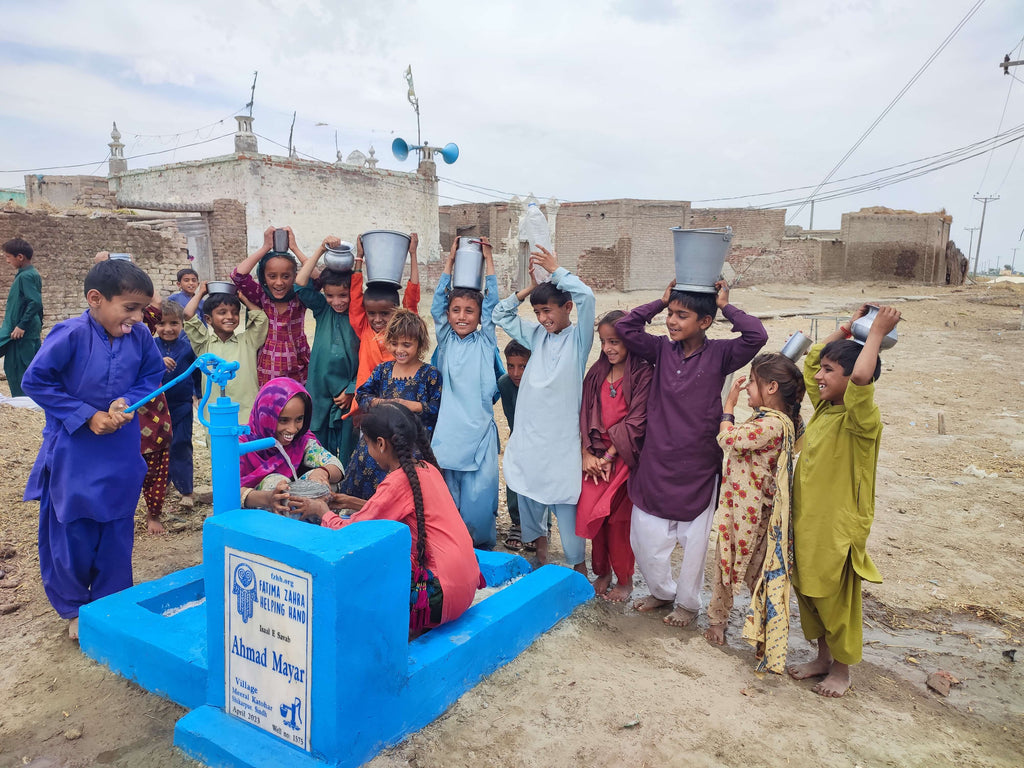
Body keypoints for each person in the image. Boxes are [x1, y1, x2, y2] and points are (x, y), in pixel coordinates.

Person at [21, 259, 165, 640]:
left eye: (142, 310)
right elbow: (35, 381)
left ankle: (111, 602)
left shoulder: (140, 339)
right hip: (74, 450)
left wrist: (126, 402)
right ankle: (74, 608)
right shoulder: (69, 334)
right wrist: (86, 415)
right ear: (96, 299)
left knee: (117, 526)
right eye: (129, 308)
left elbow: (151, 376)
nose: (136, 318)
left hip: (120, 449)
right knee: (73, 526)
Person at [616, 279, 767, 627]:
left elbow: (756, 336)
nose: (671, 321)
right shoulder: (659, 350)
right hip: (656, 460)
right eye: (670, 314)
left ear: (705, 322)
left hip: (699, 464)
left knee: (694, 544)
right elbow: (626, 327)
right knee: (647, 540)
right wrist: (660, 299)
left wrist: (726, 306)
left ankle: (686, 603)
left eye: (681, 315)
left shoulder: (721, 354)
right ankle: (661, 592)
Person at [788, 305, 900, 697]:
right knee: (807, 589)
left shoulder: (861, 420)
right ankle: (822, 657)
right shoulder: (824, 408)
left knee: (835, 597)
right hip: (806, 520)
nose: (819, 376)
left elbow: (862, 377)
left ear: (849, 381)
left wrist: (874, 334)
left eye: (830, 374)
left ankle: (842, 669)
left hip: (837, 526)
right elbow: (814, 359)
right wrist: (845, 328)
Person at [314, 403, 480, 634]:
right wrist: (352, 502)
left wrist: (322, 511)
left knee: (361, 575)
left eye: (367, 444)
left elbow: (350, 532)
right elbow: (405, 513)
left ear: (380, 444)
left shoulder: (397, 482)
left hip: (438, 597)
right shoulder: (427, 469)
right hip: (467, 585)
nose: (368, 450)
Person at [493, 246, 595, 573]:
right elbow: (500, 315)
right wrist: (529, 290)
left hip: (563, 440)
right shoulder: (536, 336)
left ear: (567, 308)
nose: (543, 318)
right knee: (527, 492)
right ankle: (540, 553)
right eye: (537, 312)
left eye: (548, 310)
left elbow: (588, 298)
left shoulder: (578, 340)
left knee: (565, 501)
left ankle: (577, 565)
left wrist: (558, 270)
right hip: (530, 437)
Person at [703, 354, 803, 673]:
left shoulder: (772, 424)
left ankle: (725, 625)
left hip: (749, 516)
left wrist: (729, 405)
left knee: (734, 567)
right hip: (750, 511)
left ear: (771, 387)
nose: (747, 390)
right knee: (746, 572)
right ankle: (747, 631)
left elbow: (727, 438)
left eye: (753, 384)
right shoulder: (778, 420)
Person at [577, 310, 653, 602]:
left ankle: (624, 579)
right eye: (604, 342)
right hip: (595, 459)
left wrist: (609, 456)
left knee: (619, 522)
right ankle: (602, 572)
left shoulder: (643, 373)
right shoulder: (597, 372)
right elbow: (584, 414)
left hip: (625, 460)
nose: (609, 348)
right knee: (596, 520)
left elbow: (637, 421)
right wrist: (588, 454)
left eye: (616, 342)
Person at [431, 236, 500, 549]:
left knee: (480, 493)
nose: (461, 316)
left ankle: (479, 544)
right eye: (455, 310)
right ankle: (451, 542)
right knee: (449, 491)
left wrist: (488, 261)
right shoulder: (446, 341)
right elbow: (435, 306)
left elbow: (493, 304)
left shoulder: (485, 341)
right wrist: (450, 262)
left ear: (478, 315)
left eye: (469, 311)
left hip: (479, 427)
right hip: (449, 430)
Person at [340, 309, 441, 501]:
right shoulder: (383, 370)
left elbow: (436, 408)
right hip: (376, 448)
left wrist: (409, 405)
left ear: (420, 344)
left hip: (409, 450)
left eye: (407, 344)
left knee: (399, 499)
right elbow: (362, 395)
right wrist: (383, 403)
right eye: (394, 344)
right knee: (364, 499)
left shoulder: (430, 374)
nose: (399, 350)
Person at [295, 237, 360, 464]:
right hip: (320, 390)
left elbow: (368, 358)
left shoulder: (360, 316)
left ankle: (346, 490)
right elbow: (300, 284)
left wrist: (352, 388)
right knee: (318, 445)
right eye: (330, 295)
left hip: (347, 394)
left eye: (343, 295)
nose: (337, 301)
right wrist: (321, 249)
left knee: (349, 446)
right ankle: (322, 487)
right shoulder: (323, 309)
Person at [238, 377, 346, 513]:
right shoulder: (243, 446)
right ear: (265, 416)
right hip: (255, 516)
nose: (293, 429)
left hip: (294, 507)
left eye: (299, 419)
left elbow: (335, 465)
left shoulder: (301, 441)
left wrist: (322, 473)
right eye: (283, 420)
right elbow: (228, 490)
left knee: (325, 485)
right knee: (276, 483)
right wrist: (268, 498)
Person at [231, 226, 311, 386]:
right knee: (270, 405)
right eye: (272, 276)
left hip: (299, 366)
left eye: (286, 276)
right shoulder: (261, 296)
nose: (279, 282)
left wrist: (294, 248)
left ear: (295, 276)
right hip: (267, 366)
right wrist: (265, 247)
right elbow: (238, 276)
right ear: (263, 277)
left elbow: (318, 278)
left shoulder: (300, 296)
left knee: (298, 406)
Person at [184, 282, 268, 423]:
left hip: (246, 413)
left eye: (235, 312)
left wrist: (242, 298)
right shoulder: (204, 344)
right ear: (208, 319)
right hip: (214, 415)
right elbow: (187, 314)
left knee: (246, 444)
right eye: (222, 312)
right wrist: (201, 293)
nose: (230, 316)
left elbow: (261, 319)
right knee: (217, 444)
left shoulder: (248, 341)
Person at [348, 233, 421, 397]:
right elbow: (355, 296)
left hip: (398, 398)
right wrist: (359, 257)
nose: (377, 319)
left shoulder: (403, 331)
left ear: (397, 311)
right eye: (371, 313)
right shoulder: (364, 328)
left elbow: (412, 296)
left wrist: (413, 254)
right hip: (367, 401)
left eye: (385, 313)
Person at [153, 300, 197, 509]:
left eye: (173, 323)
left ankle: (186, 490)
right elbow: (139, 369)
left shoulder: (189, 347)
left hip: (182, 405)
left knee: (181, 444)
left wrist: (197, 395)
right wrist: (157, 361)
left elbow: (197, 372)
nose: (168, 329)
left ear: (181, 324)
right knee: (159, 446)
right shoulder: (150, 347)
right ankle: (164, 482)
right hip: (155, 407)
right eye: (162, 323)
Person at [497, 340, 530, 551]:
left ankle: (541, 526)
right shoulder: (505, 384)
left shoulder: (539, 382)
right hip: (519, 434)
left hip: (543, 439)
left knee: (540, 482)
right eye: (510, 365)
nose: (516, 372)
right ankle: (518, 522)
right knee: (514, 474)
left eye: (522, 366)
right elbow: (512, 419)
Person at [0, 237, 43, 397]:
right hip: (23, 328)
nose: (6, 260)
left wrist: (22, 325)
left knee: (18, 367)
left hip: (22, 331)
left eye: (8, 257)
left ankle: (24, 401)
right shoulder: (28, 274)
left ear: (20, 257)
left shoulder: (26, 276)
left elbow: (35, 302)